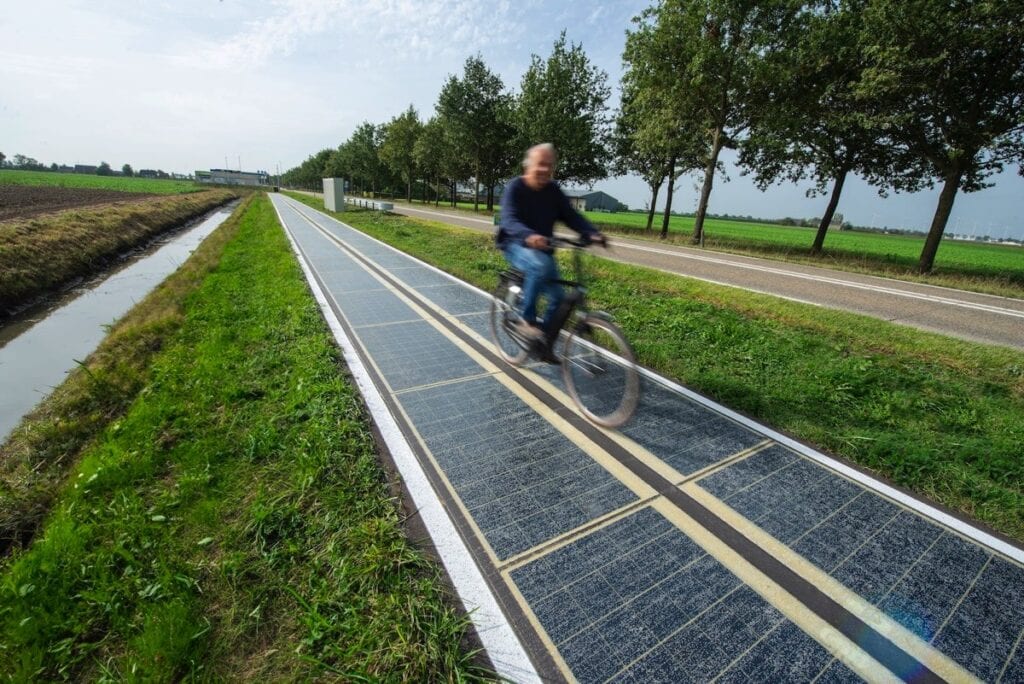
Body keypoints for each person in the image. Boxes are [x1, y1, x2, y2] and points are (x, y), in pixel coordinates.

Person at [497, 143, 606, 354]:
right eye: (541, 164)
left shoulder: (553, 191)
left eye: (549, 165)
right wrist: (529, 235)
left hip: (542, 250)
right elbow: (509, 220)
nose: (545, 169)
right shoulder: (515, 188)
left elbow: (571, 216)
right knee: (539, 265)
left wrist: (591, 232)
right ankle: (526, 321)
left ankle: (543, 344)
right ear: (528, 166)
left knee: (559, 297)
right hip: (515, 244)